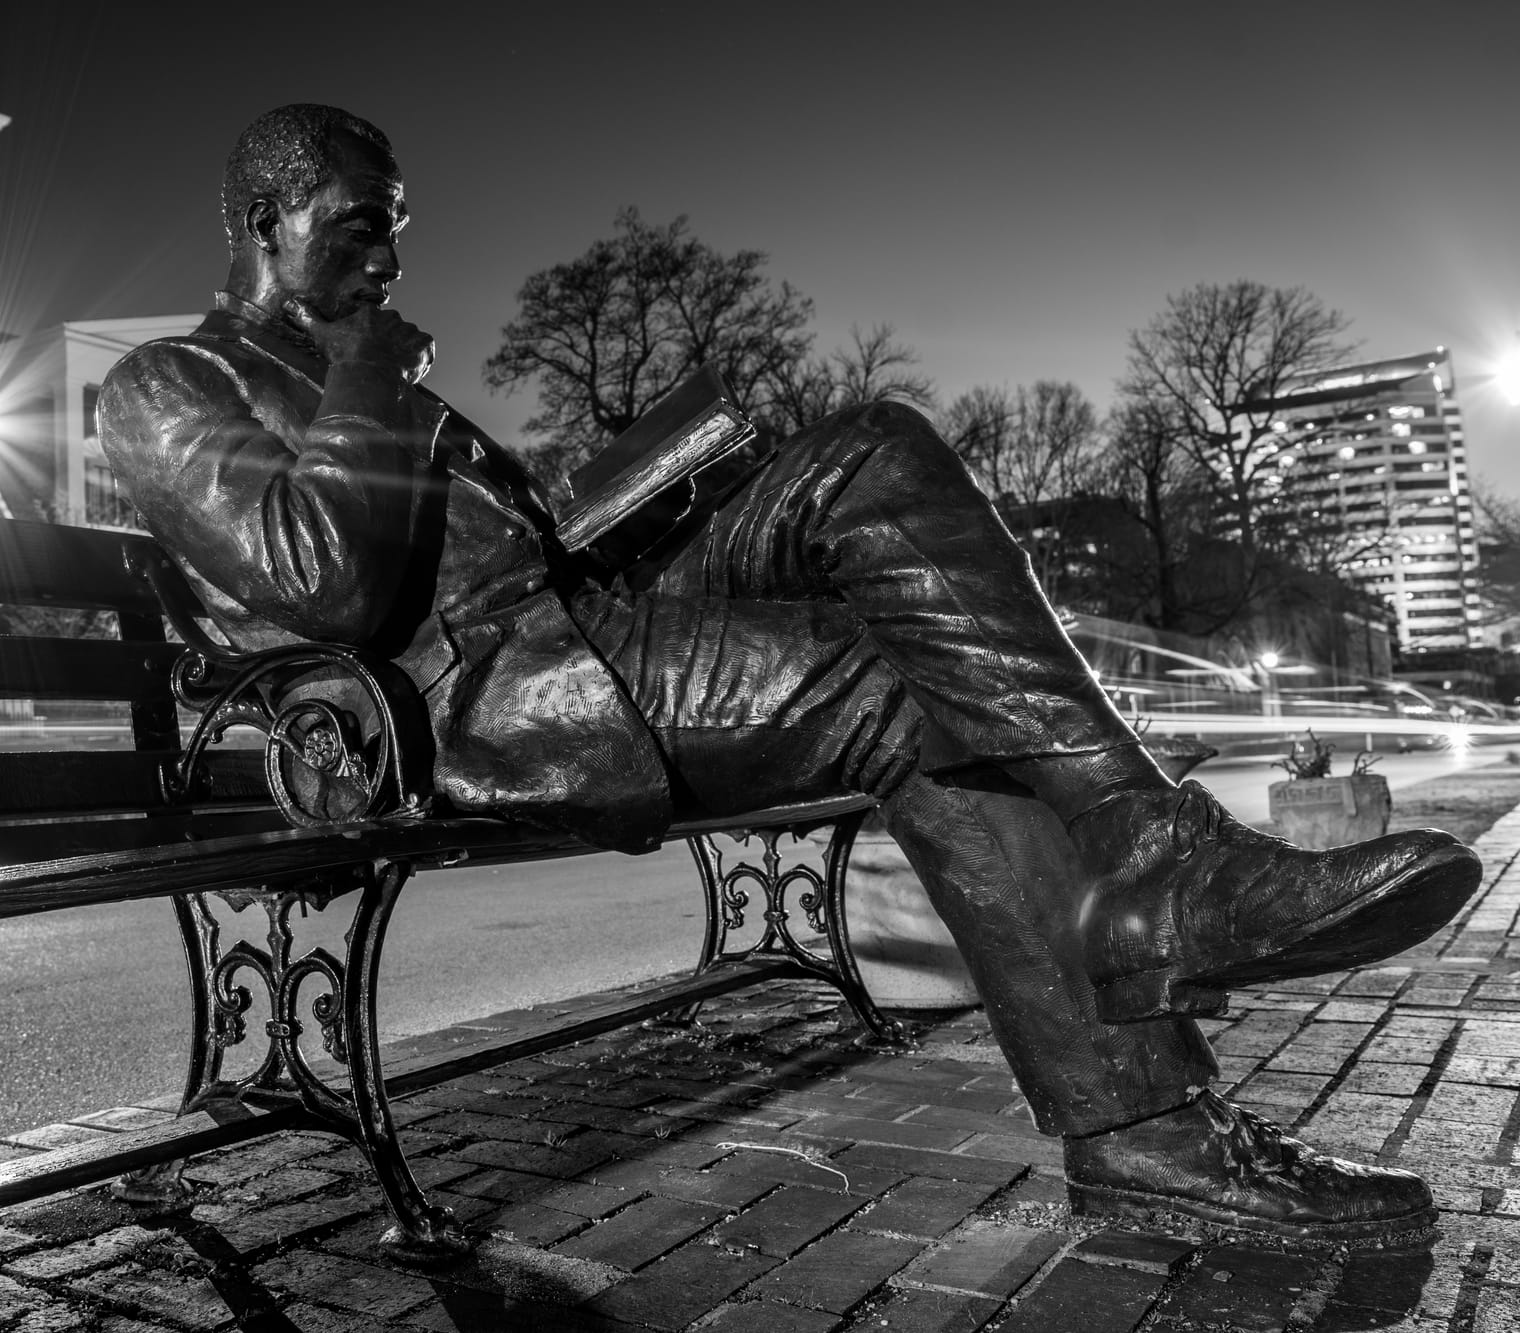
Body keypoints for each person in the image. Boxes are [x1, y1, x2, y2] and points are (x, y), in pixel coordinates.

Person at [100, 103, 1481, 1244]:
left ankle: (1150, 848)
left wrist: (625, 494)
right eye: (357, 230)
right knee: (902, 694)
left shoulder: (372, 373)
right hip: (490, 696)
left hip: (587, 614)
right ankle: (1153, 1130)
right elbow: (320, 581)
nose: (387, 263)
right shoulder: (172, 385)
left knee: (876, 444)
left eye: (396, 232)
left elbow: (509, 537)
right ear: (262, 225)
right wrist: (364, 380)